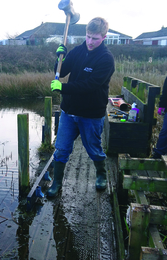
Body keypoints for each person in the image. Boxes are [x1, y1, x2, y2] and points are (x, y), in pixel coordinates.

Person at [47, 17, 115, 197]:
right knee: (61, 148)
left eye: (95, 38)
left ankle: (101, 174)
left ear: (104, 37)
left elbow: (90, 85)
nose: (90, 42)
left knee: (93, 148)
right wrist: (59, 58)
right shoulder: (78, 51)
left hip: (91, 114)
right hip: (69, 112)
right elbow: (61, 72)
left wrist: (63, 88)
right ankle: (57, 183)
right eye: (88, 36)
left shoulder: (106, 59)